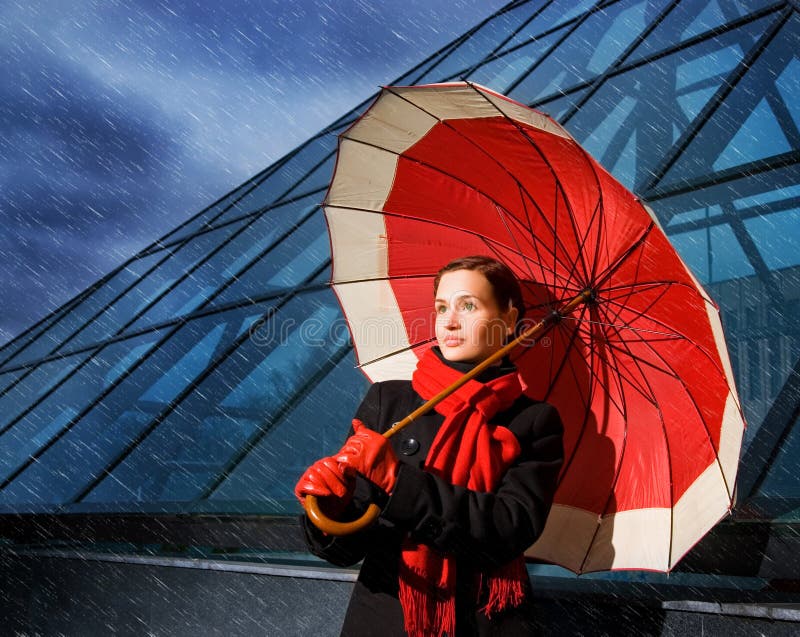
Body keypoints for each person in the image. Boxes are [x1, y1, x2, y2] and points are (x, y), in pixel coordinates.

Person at [295, 255, 564, 637]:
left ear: (508, 320)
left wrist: (398, 481)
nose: (449, 322)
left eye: (468, 306)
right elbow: (344, 550)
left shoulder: (534, 421)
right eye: (441, 307)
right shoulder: (388, 401)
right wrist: (329, 506)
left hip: (484, 621)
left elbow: (507, 531)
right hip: (385, 617)